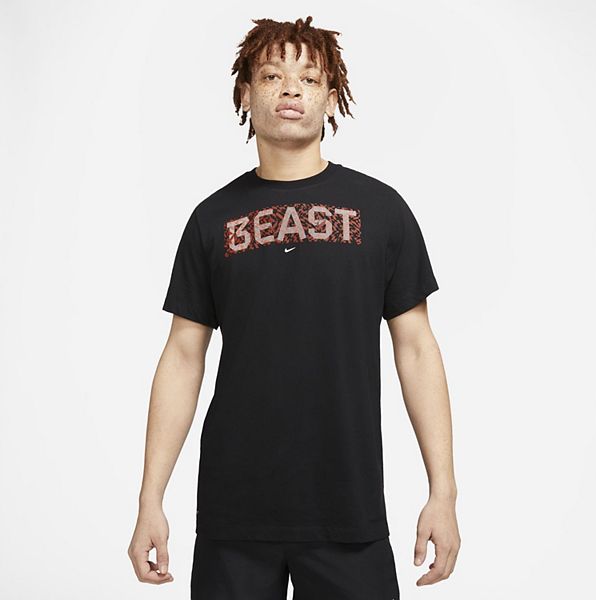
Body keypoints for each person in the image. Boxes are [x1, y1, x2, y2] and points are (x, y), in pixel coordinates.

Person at [128, 15, 461, 599]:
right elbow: (182, 356)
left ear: (330, 98)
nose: (290, 89)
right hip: (235, 514)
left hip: (348, 511)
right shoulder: (212, 219)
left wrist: (444, 492)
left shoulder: (382, 211)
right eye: (272, 75)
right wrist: (150, 499)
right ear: (245, 93)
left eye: (309, 78)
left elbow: (416, 349)